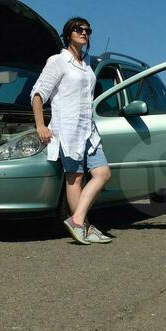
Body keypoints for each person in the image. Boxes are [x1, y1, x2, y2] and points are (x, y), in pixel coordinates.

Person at [30, 17, 113, 245]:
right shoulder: (58, 61)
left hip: (88, 128)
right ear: (69, 33)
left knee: (102, 173)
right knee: (74, 179)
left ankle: (77, 220)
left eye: (88, 29)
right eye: (79, 29)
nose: (85, 32)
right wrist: (40, 125)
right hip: (67, 130)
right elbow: (38, 95)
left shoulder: (87, 62)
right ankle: (83, 227)